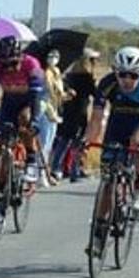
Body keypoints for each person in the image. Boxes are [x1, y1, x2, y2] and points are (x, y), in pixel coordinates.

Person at [83, 47, 139, 250]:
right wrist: (87, 142)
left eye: (133, 75)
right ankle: (99, 232)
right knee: (108, 184)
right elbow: (96, 119)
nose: (127, 80)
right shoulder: (107, 84)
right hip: (116, 127)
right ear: (116, 71)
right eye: (122, 74)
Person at [0, 36, 45, 183]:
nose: (10, 68)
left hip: (29, 100)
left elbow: (35, 95)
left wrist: (34, 120)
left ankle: (31, 160)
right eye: (5, 65)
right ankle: (2, 183)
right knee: (3, 137)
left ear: (20, 55)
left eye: (14, 63)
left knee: (25, 120)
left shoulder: (32, 64)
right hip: (9, 101)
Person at [54, 51, 98, 181]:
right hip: (79, 113)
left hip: (67, 112)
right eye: (92, 60)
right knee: (77, 143)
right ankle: (74, 170)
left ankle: (56, 167)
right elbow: (96, 94)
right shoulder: (87, 78)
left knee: (64, 141)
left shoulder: (69, 76)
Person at [40, 49, 67, 184]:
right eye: (50, 56)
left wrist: (65, 95)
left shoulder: (56, 72)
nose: (53, 58)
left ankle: (45, 172)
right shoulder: (43, 73)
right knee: (43, 142)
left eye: (56, 56)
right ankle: (40, 174)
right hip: (44, 108)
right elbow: (48, 90)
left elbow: (59, 92)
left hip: (54, 108)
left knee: (49, 143)